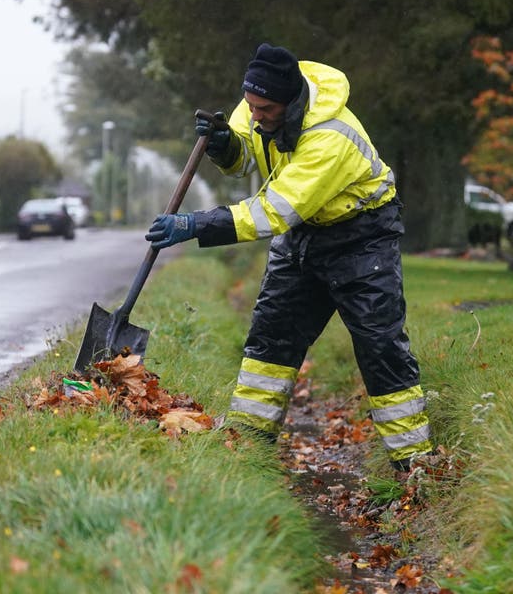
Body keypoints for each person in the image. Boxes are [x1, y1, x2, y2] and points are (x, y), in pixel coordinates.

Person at [144, 42, 434, 470]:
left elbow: (274, 212)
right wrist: (226, 145)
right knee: (271, 335)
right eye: (250, 105)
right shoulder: (256, 106)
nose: (253, 115)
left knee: (379, 346)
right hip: (305, 235)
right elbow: (246, 157)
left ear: (289, 101)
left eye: (263, 109)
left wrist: (195, 225)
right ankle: (248, 442)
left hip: (362, 237)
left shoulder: (330, 137)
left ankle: (414, 464)